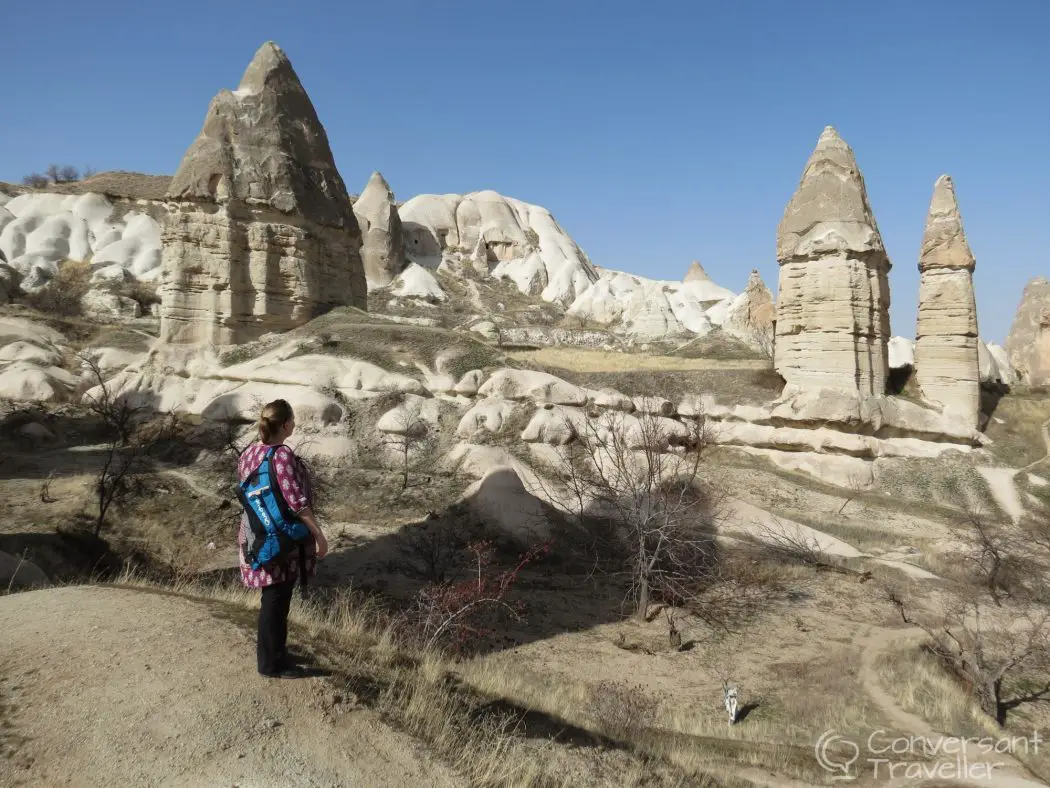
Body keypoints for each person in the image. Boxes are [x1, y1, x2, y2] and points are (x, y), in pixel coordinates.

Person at [237, 399, 329, 678]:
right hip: (282, 539)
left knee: (276, 596)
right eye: (293, 420)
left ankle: (278, 653)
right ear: (286, 425)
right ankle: (269, 664)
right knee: (276, 598)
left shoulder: (249, 452)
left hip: (258, 535)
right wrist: (318, 535)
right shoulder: (280, 456)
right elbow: (296, 500)